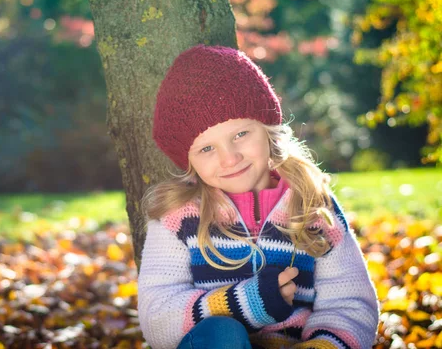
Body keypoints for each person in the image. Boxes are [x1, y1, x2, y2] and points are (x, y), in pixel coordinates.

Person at [137, 45, 379, 349]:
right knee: (223, 334)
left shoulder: (311, 204)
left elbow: (350, 303)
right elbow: (157, 318)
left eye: (240, 135)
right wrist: (246, 303)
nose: (230, 158)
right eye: (206, 149)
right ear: (188, 161)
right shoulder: (178, 216)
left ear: (267, 129)